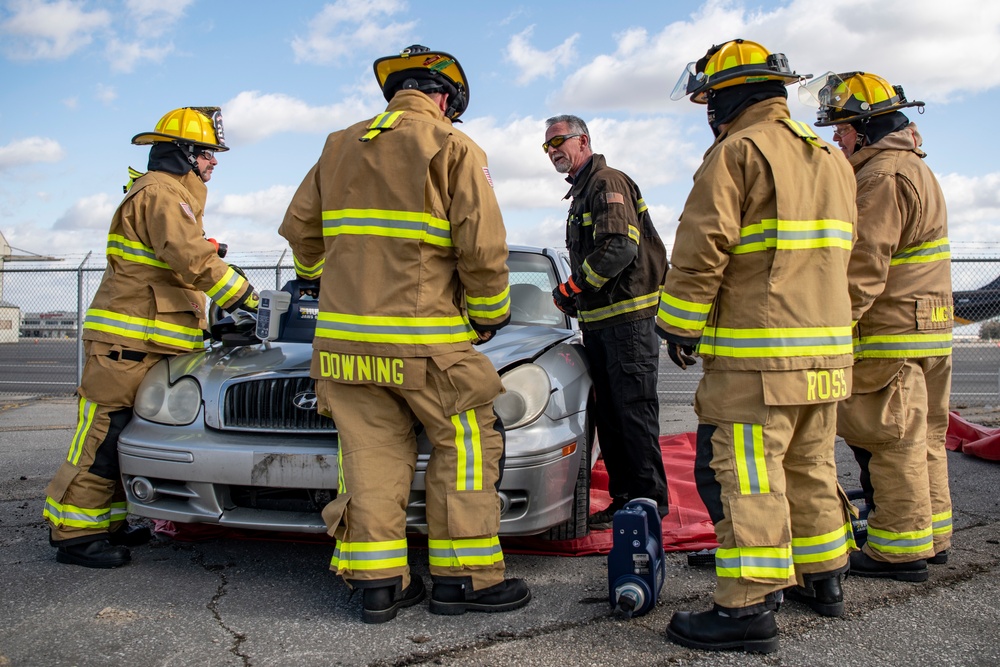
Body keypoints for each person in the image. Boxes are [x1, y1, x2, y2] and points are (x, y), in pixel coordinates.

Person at [278, 45, 530, 624]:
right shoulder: (453, 146)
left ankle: (378, 586)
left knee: (368, 460)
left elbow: (302, 234)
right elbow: (482, 246)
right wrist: (488, 313)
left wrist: (324, 284)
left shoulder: (338, 145)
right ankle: (463, 581)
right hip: (427, 344)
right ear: (445, 100)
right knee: (467, 445)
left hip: (342, 348)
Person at [657, 40, 858, 653]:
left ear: (728, 96)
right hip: (824, 355)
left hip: (756, 360)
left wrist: (679, 325)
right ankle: (823, 579)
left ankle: (745, 607)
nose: (708, 111)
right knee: (811, 466)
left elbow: (701, 250)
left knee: (748, 477)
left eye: (710, 99)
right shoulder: (831, 157)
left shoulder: (736, 153)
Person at [42, 107, 259, 568]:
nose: (213, 163)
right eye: (206, 153)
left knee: (123, 439)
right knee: (101, 439)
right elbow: (191, 260)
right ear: (183, 153)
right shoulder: (161, 193)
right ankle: (75, 535)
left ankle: (110, 523)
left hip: (144, 345)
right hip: (126, 346)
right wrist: (250, 300)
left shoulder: (168, 196)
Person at [802, 71, 953, 580]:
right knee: (925, 436)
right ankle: (932, 534)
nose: (837, 140)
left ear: (866, 128)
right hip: (927, 329)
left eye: (843, 130)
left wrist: (830, 326)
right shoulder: (914, 168)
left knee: (891, 440)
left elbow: (864, 264)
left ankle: (899, 550)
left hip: (890, 332)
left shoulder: (881, 176)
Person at [543, 114, 670, 530]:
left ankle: (648, 503)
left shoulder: (606, 182)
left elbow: (618, 248)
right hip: (601, 325)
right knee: (612, 416)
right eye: (547, 145)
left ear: (584, 141)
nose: (553, 150)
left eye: (559, 140)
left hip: (627, 324)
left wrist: (573, 288)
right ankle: (625, 499)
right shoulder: (582, 192)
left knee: (632, 413)